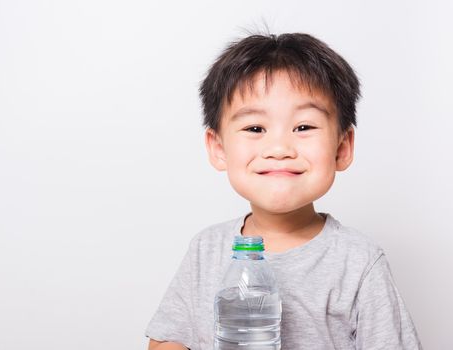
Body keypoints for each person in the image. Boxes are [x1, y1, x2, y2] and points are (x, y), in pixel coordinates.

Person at [145, 32, 422, 350]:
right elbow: (168, 341)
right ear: (218, 149)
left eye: (303, 127)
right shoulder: (206, 249)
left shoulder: (358, 262)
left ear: (342, 148)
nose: (279, 148)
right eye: (254, 128)